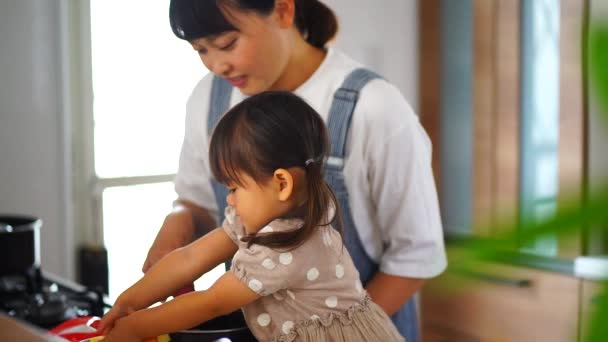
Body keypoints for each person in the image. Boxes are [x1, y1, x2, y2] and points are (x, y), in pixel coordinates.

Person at [143, 1, 447, 340]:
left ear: (284, 11)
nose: (217, 65)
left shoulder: (373, 107)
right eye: (200, 49)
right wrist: (178, 225)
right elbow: (196, 201)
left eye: (228, 43)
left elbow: (415, 257)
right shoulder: (208, 98)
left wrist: (340, 330)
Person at [98, 91, 405, 342]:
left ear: (282, 183)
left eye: (234, 187)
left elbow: (213, 302)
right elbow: (191, 257)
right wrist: (131, 301)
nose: (229, 199)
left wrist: (137, 328)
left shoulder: (287, 246)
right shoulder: (284, 206)